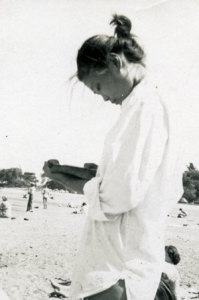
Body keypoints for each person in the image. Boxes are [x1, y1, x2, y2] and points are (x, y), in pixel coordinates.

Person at [43, 14, 183, 300]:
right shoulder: (148, 102)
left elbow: (120, 194)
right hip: (129, 257)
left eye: (97, 87)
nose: (104, 98)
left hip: (118, 265)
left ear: (115, 63)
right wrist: (69, 174)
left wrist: (77, 182)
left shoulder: (144, 107)